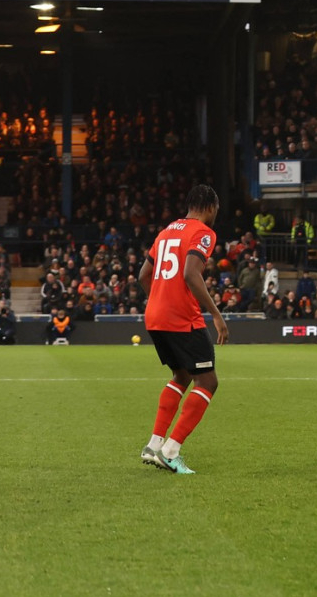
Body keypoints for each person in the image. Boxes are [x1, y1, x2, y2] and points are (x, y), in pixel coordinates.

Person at [138, 185, 229, 475]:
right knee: (208, 382)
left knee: (181, 375)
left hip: (154, 315)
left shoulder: (166, 231)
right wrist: (216, 315)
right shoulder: (203, 232)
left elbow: (143, 275)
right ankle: (171, 450)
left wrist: (161, 298)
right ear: (210, 206)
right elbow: (191, 273)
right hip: (181, 318)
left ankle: (154, 444)